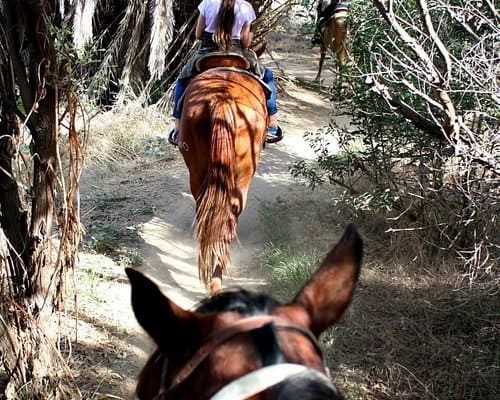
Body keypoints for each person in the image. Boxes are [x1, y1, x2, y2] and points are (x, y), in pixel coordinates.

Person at [169, 0, 282, 145]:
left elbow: (198, 35)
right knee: (268, 76)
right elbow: (245, 43)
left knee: (182, 80)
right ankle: (272, 123)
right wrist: (251, 36)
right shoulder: (245, 7)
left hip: (206, 51)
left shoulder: (207, 3)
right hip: (236, 52)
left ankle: (178, 127)